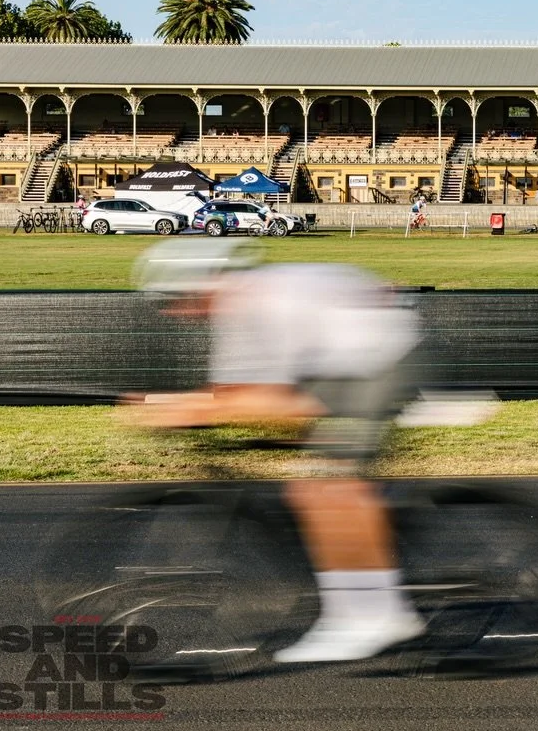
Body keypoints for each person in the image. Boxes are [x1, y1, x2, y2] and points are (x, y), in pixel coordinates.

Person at [131, 240, 424, 662]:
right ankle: (365, 555)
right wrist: (174, 406)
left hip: (378, 360)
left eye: (175, 301)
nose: (175, 313)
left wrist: (185, 409)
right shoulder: (236, 307)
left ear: (199, 288)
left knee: (321, 486)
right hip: (336, 361)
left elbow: (277, 403)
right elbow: (230, 393)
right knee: (310, 472)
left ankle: (375, 615)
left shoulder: (263, 303)